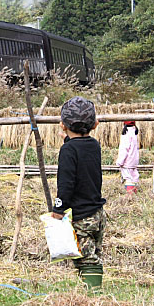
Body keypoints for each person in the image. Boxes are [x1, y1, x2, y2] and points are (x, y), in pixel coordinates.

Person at [52, 96, 107, 291]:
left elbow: (66, 184)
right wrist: (68, 138)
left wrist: (58, 208)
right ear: (95, 125)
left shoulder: (68, 151)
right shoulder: (94, 146)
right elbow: (80, 149)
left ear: (62, 125)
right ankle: (90, 291)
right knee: (93, 254)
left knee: (86, 259)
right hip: (98, 214)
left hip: (81, 216)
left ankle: (94, 299)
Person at [115, 121, 139, 194]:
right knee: (134, 177)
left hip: (127, 161)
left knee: (128, 178)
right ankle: (134, 193)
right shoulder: (134, 134)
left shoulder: (126, 135)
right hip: (134, 160)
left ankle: (130, 196)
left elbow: (124, 150)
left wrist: (120, 162)